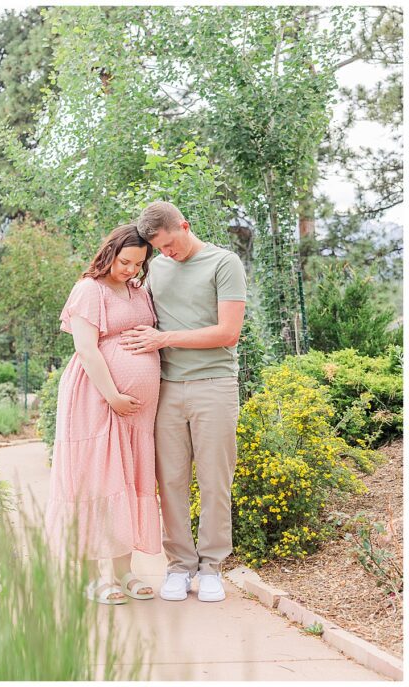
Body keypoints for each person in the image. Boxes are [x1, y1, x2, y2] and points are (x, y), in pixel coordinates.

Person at [122, 201, 246, 603]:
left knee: (214, 480)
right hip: (167, 389)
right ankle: (178, 567)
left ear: (185, 226)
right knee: (170, 481)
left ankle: (211, 568)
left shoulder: (224, 263)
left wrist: (165, 338)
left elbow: (228, 332)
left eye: (171, 244)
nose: (167, 253)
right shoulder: (156, 268)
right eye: (159, 248)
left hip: (214, 385)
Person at [46, 224, 161, 605]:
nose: (130, 269)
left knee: (126, 480)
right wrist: (113, 395)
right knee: (99, 481)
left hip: (137, 414)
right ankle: (97, 577)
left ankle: (126, 572)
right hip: (97, 398)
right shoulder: (88, 290)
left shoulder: (136, 291)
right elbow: (87, 349)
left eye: (138, 264)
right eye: (125, 261)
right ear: (110, 252)